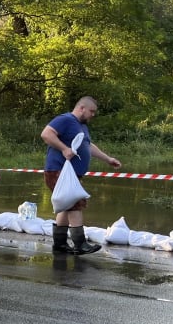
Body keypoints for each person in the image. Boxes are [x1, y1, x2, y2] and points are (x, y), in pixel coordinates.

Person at [41, 96, 121, 255]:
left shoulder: (81, 126)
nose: (93, 115)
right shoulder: (66, 119)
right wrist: (64, 149)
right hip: (59, 170)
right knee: (75, 203)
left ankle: (60, 244)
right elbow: (46, 134)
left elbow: (88, 146)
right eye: (91, 111)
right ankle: (80, 244)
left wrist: (108, 159)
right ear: (81, 108)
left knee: (66, 206)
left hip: (70, 174)